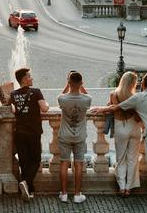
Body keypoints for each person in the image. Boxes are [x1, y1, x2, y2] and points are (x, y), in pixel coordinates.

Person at [92, 74, 147, 207]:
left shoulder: (134, 97)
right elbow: (139, 116)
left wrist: (101, 109)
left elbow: (114, 108)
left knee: (126, 160)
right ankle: (139, 187)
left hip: (143, 132)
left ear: (143, 84)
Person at [9, 68, 49, 201]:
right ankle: (26, 182)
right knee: (36, 159)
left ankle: (29, 190)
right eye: (29, 76)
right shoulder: (36, 92)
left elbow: (11, 109)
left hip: (19, 132)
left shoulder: (13, 94)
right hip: (33, 131)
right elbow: (44, 108)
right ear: (24, 79)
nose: (31, 78)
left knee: (24, 162)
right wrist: (47, 103)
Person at [57, 71, 91, 204]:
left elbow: (61, 94)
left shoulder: (63, 99)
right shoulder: (87, 99)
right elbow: (86, 94)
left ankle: (64, 194)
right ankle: (77, 194)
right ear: (81, 83)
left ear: (69, 82)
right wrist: (80, 86)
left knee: (64, 163)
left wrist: (68, 84)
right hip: (80, 136)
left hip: (65, 135)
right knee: (78, 165)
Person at [108, 71, 142, 197]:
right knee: (133, 159)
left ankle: (121, 187)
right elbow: (139, 117)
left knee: (120, 158)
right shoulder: (136, 97)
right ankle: (129, 187)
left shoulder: (113, 94)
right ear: (133, 83)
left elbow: (111, 108)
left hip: (120, 127)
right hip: (134, 127)